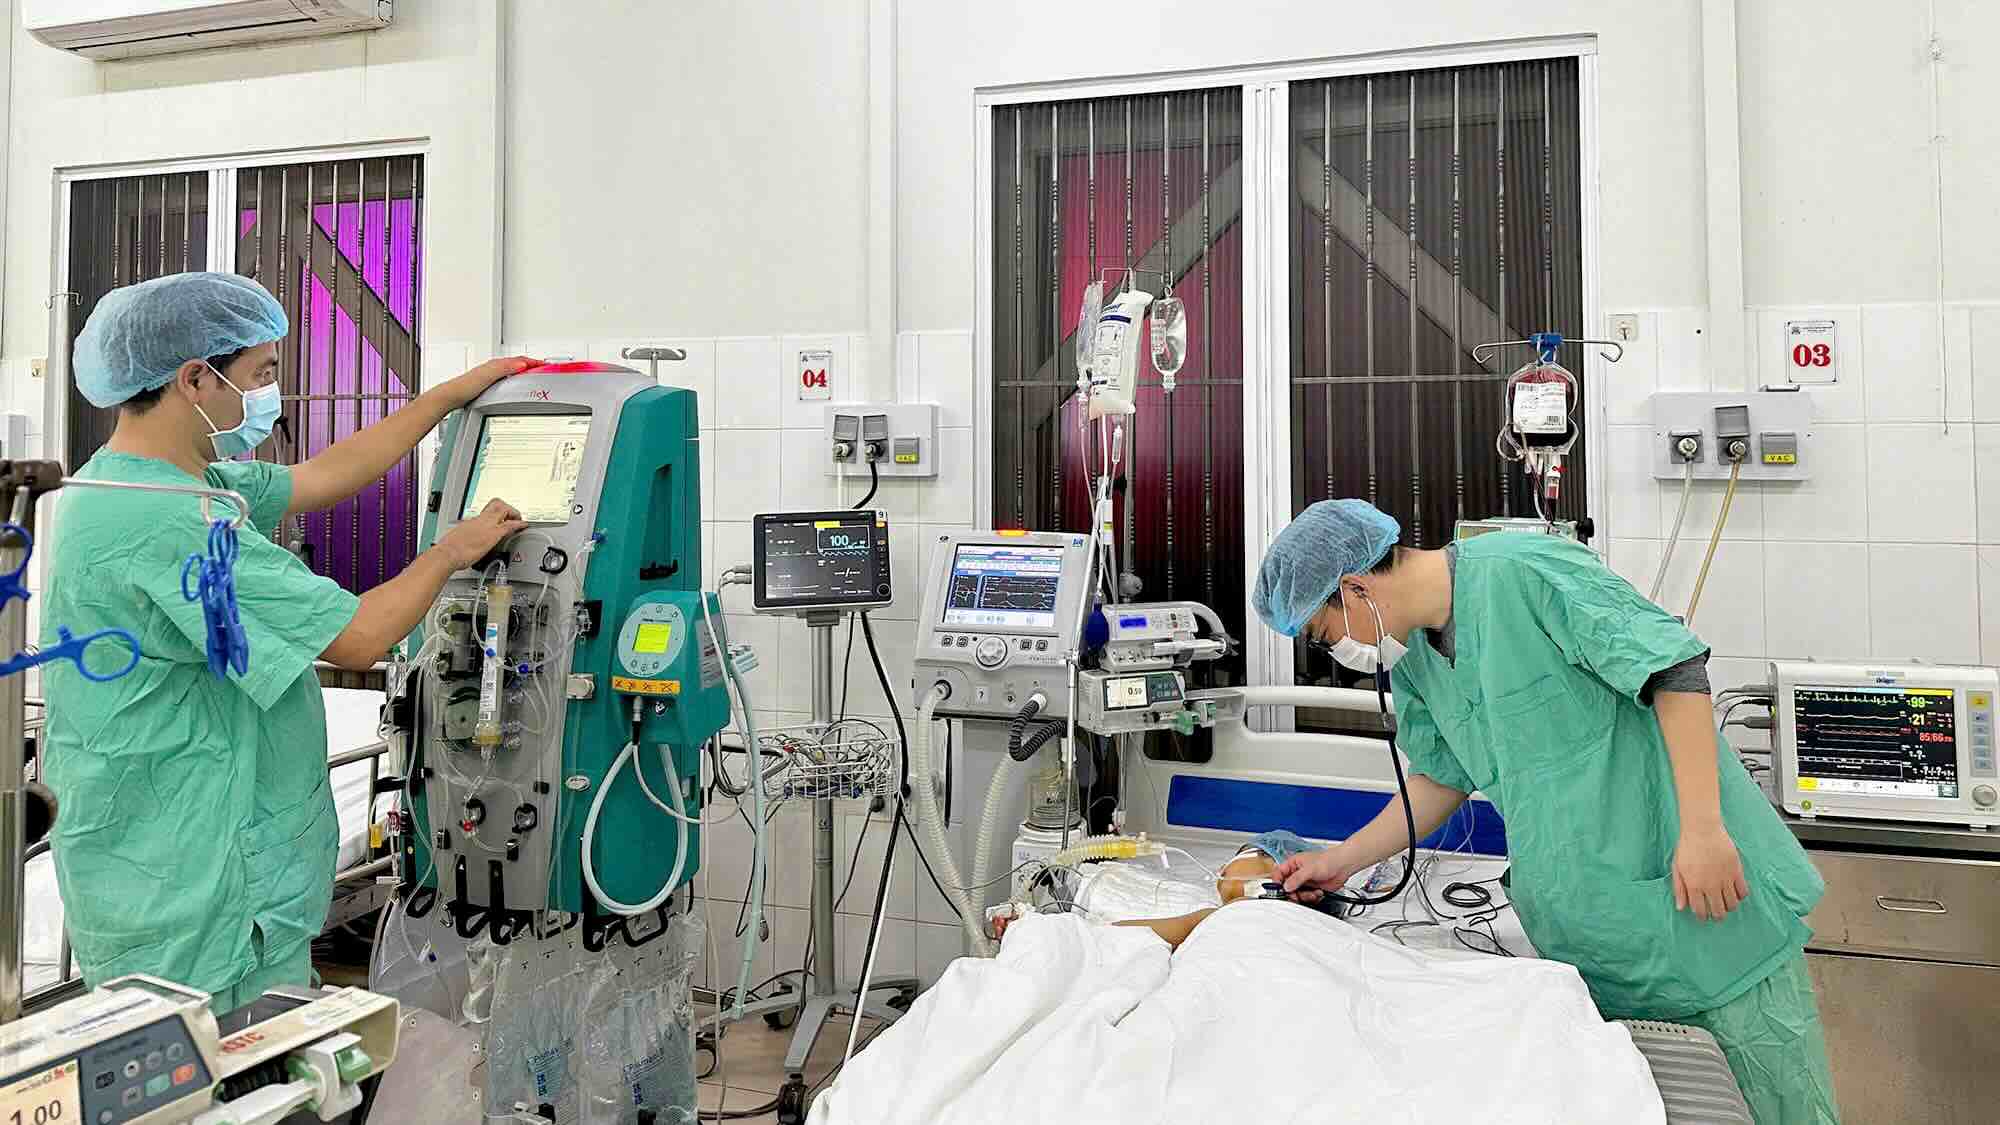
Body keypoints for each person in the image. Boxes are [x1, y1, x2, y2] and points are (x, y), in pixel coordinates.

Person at [40, 271, 535, 1014]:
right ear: (196, 379)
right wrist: (451, 551)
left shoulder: (121, 484)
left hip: (142, 864)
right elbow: (362, 636)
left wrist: (443, 401)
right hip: (202, 897)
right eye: (262, 373)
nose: (274, 391)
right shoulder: (176, 521)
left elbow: (321, 476)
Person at [1255, 499, 1838, 1124]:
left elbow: (1675, 671)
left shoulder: (1526, 572)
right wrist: (1340, 860)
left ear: (1355, 587)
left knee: (1774, 1107)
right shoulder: (1418, 661)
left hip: (1701, 908)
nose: (1337, 649)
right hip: (1595, 936)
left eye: (1324, 633)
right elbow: (1442, 779)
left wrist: (1702, 829)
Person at [1113, 830, 1334, 949]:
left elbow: (1113, 935)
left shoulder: (1241, 912)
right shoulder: (1226, 915)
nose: (1221, 871)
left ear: (1278, 867)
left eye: (1235, 860)